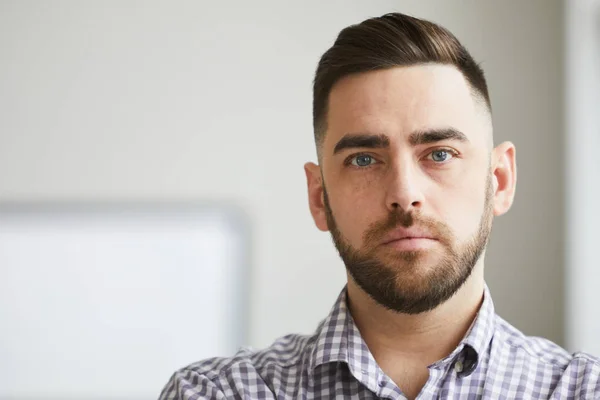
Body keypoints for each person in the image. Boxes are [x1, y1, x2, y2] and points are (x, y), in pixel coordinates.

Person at [159, 12, 600, 399]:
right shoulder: (219, 393)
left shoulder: (582, 390)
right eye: (364, 159)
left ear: (500, 180)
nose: (404, 193)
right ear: (319, 196)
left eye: (439, 154)